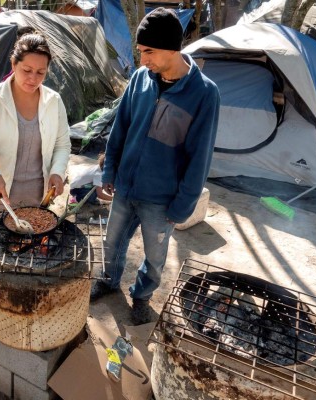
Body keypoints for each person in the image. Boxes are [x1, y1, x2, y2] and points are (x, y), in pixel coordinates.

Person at [89, 8, 220, 325]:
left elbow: (199, 157)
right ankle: (107, 281)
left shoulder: (204, 94)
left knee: (156, 258)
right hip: (125, 186)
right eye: (140, 51)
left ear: (172, 47)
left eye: (149, 51)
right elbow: (120, 128)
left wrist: (183, 205)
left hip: (161, 199)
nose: (142, 59)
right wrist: (109, 171)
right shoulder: (140, 79)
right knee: (112, 242)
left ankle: (142, 297)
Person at [0, 33, 71, 219]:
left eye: (41, 72)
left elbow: (62, 145)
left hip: (37, 199)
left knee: (32, 246)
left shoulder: (54, 101)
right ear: (14, 64)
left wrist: (57, 171)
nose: (33, 78)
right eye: (27, 70)